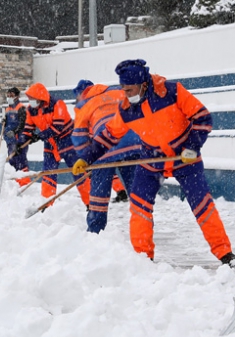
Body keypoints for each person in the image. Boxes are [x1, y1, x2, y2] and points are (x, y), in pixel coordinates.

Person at [72, 59, 234, 266]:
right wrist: (86, 158)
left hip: (185, 158)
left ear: (144, 84)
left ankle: (225, 254)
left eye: (130, 90)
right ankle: (143, 258)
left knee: (202, 206)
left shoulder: (172, 92)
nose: (126, 95)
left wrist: (192, 147)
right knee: (139, 207)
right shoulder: (126, 109)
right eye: (123, 89)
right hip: (151, 160)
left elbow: (202, 117)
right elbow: (109, 135)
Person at [72, 79, 142, 233]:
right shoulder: (118, 91)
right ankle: (143, 230)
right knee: (137, 193)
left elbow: (78, 136)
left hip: (104, 147)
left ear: (83, 94)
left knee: (99, 196)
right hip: (133, 144)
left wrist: (86, 159)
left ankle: (95, 232)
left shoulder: (85, 104)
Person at [18, 82, 90, 208]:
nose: (30, 101)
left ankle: (91, 203)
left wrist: (39, 136)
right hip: (50, 144)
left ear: (40, 97)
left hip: (67, 141)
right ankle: (47, 203)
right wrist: (21, 143)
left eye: (32, 99)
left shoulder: (57, 104)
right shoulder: (31, 110)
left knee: (78, 171)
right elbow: (28, 128)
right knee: (48, 173)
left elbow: (58, 127)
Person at [1, 87, 30, 186]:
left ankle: (24, 181)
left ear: (17, 96)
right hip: (10, 140)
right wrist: (4, 122)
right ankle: (15, 182)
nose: (9, 97)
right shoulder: (7, 109)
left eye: (11, 95)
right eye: (8, 96)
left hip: (19, 139)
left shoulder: (21, 108)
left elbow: (23, 123)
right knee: (12, 160)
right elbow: (8, 122)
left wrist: (15, 131)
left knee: (20, 160)